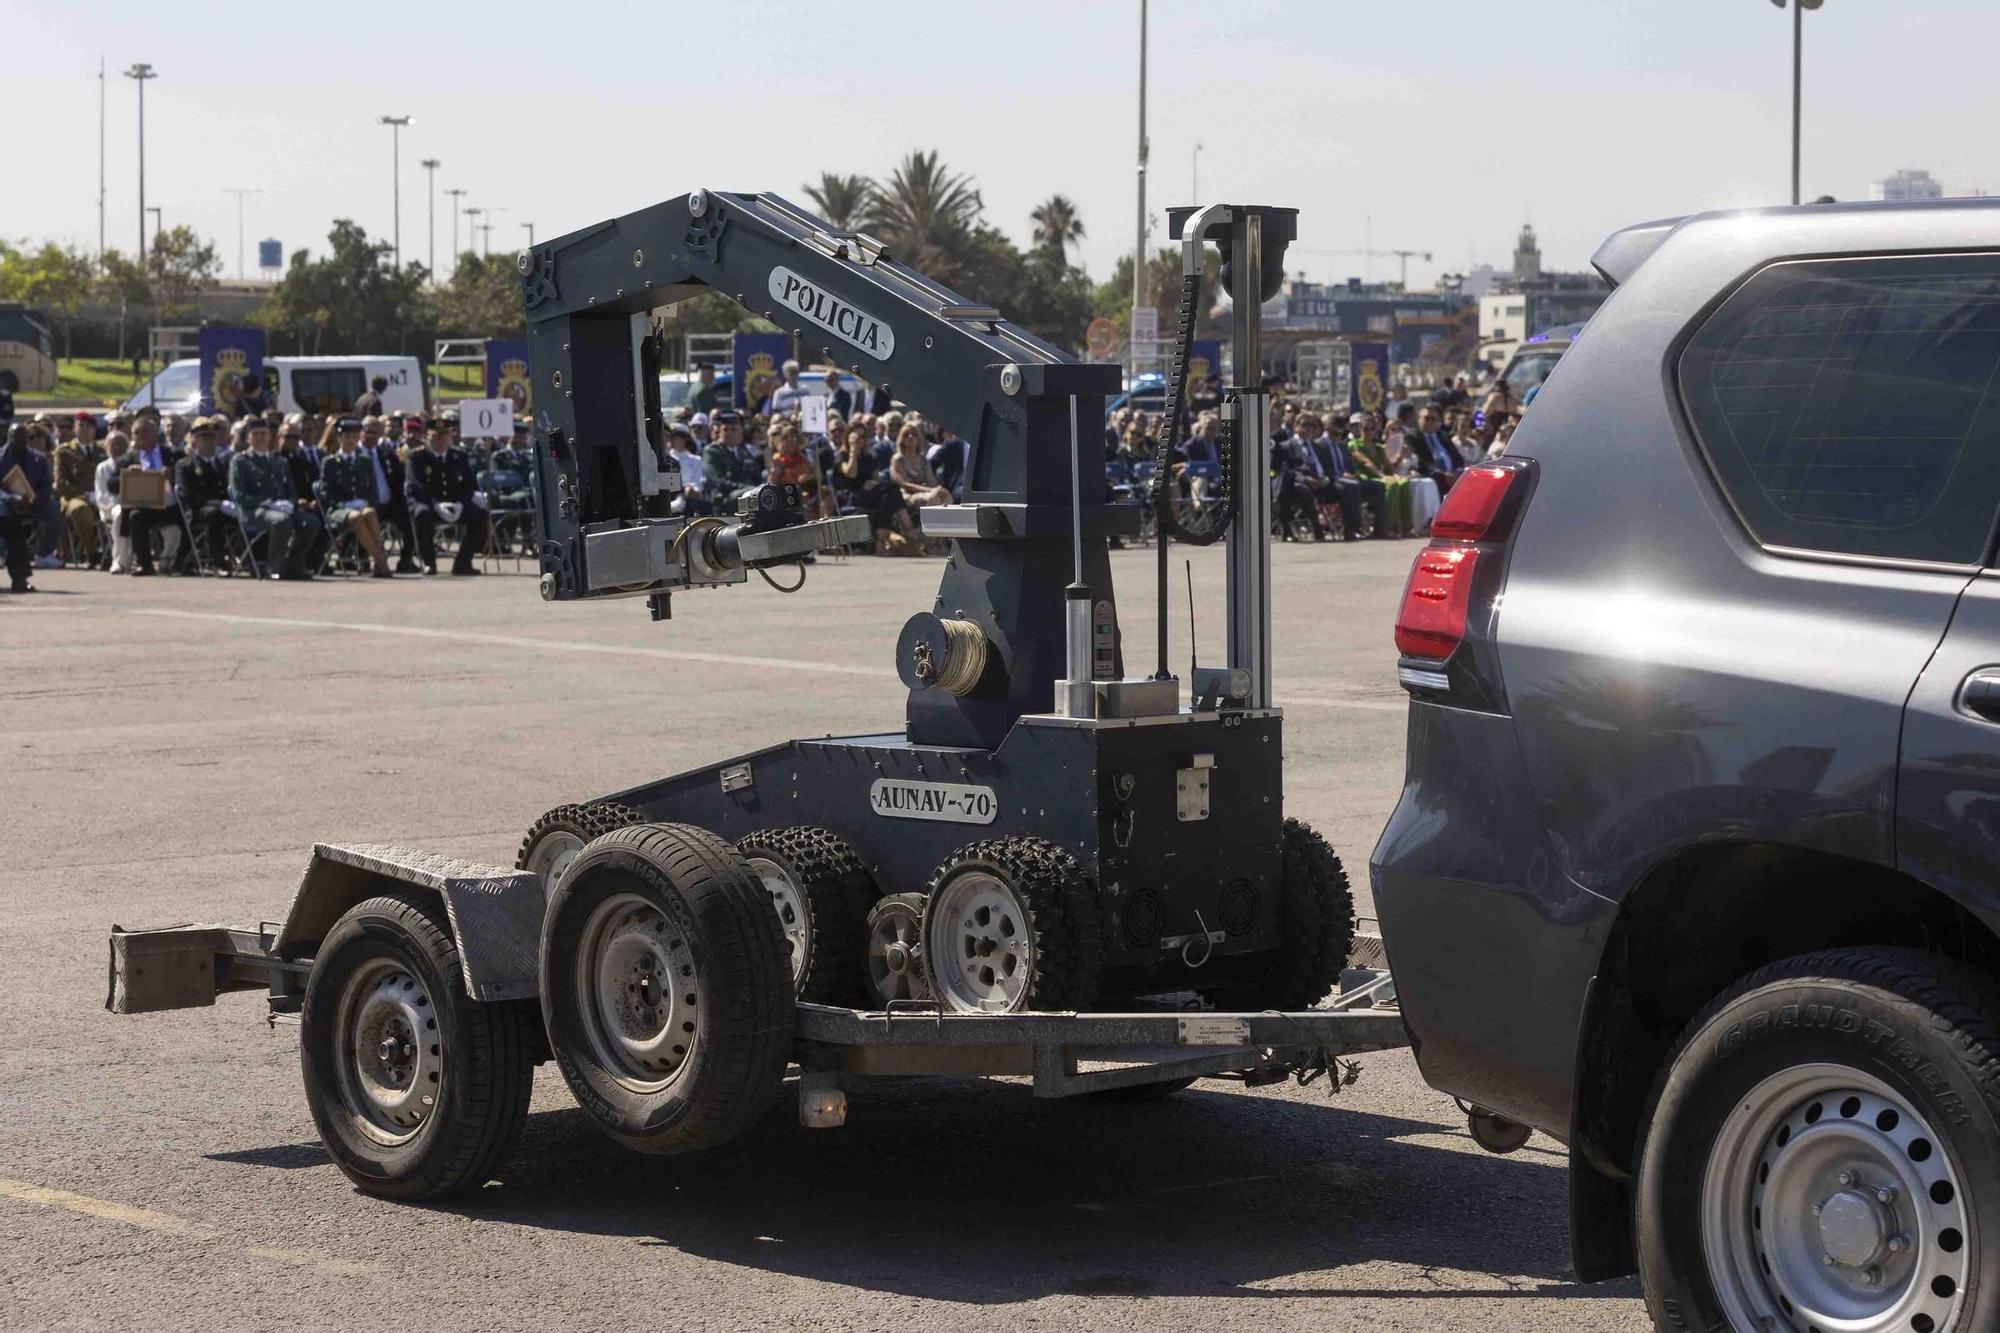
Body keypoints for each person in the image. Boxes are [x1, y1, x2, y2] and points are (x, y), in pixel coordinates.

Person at [229, 417, 320, 579]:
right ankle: (275, 567)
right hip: (253, 511)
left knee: (311, 522)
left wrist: (290, 503)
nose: (260, 437)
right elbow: (239, 495)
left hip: (280, 508)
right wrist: (269, 504)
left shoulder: (279, 461)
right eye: (255, 434)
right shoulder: (241, 461)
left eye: (264, 433)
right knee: (281, 521)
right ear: (248, 438)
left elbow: (291, 491)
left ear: (271, 436)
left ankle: (295, 564)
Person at [405, 416, 487, 576]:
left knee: (480, 515)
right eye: (435, 437)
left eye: (444, 436)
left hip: (455, 504)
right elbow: (416, 487)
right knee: (421, 514)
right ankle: (428, 562)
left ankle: (463, 563)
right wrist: (435, 504)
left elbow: (470, 486)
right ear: (426, 437)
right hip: (429, 504)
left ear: (450, 437)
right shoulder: (416, 457)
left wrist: (461, 503)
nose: (440, 441)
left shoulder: (459, 456)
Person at [318, 417, 394, 577]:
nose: (350, 441)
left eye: (354, 437)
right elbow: (325, 493)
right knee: (356, 517)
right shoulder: (330, 462)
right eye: (347, 436)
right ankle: (380, 561)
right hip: (339, 510)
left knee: (369, 513)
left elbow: (373, 490)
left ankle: (378, 562)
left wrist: (367, 503)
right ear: (339, 438)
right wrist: (345, 504)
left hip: (361, 506)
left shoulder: (364, 461)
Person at [121, 413, 184, 576]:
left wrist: (171, 476)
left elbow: (186, 477)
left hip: (169, 505)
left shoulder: (172, 454)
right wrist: (127, 474)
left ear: (156, 434)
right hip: (144, 506)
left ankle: (174, 563)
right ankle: (144, 564)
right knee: (135, 516)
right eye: (136, 433)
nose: (140, 436)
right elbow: (112, 483)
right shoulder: (129, 458)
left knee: (186, 518)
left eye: (145, 432)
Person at [173, 418, 234, 573]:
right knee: (214, 515)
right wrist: (216, 504)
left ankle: (256, 560)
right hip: (197, 510)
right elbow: (186, 494)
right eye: (205, 438)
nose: (209, 442)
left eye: (212, 437)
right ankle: (217, 561)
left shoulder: (224, 463)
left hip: (225, 508)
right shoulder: (185, 465)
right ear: (195, 441)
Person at [0, 423, 53, 592]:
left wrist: (34, 499)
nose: (19, 440)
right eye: (15, 436)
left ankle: (21, 577)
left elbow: (46, 486)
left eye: (23, 437)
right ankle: (20, 578)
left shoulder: (39, 458)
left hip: (33, 504)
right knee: (10, 522)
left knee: (54, 508)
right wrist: (15, 500)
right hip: (5, 506)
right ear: (8, 437)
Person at [53, 412, 103, 569]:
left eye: (90, 426)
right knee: (80, 509)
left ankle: (114, 555)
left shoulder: (102, 450)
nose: (86, 429)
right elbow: (60, 482)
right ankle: (92, 553)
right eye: (81, 425)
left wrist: (99, 494)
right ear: (74, 429)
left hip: (101, 495)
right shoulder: (64, 451)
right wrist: (84, 495)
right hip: (74, 496)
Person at [1383, 421, 1441, 537]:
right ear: (1386, 432)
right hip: (1395, 478)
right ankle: (1415, 524)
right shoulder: (1384, 447)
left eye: (1399, 429)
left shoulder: (1407, 447)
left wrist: (1413, 470)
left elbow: (1413, 464)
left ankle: (1431, 520)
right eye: (1392, 429)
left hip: (1409, 477)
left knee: (1429, 482)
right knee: (1417, 486)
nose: (1396, 432)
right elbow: (1390, 469)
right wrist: (1399, 456)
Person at [889, 422, 953, 520]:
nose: (910, 437)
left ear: (918, 439)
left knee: (945, 494)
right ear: (901, 438)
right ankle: (932, 531)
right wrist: (930, 490)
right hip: (906, 496)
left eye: (913, 434)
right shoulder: (898, 460)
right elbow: (904, 484)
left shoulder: (923, 459)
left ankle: (946, 529)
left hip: (926, 491)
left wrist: (938, 489)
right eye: (906, 434)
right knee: (933, 498)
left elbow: (931, 481)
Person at [92, 431, 134, 573]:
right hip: (109, 508)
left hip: (131, 505)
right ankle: (118, 561)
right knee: (120, 513)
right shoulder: (102, 468)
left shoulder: (131, 463)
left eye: (121, 443)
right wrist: (119, 502)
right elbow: (101, 494)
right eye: (113, 444)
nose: (117, 447)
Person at [666, 423, 707, 515]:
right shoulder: (666, 459)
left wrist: (690, 489)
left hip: (690, 499)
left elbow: (698, 484)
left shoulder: (696, 460)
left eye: (677, 437)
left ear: (685, 439)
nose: (672, 440)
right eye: (671, 436)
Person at [928, 427, 970, 501]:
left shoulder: (985, 446)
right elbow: (932, 463)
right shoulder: (952, 444)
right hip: (956, 487)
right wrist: (937, 484)